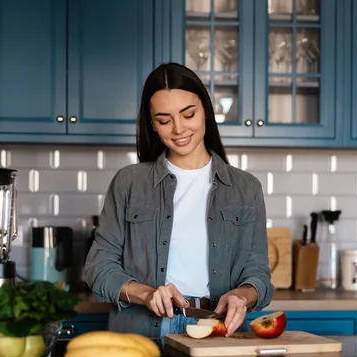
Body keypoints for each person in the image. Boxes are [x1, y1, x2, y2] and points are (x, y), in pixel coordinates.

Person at [83, 62, 274, 340]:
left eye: (188, 114)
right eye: (164, 120)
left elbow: (258, 273)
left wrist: (242, 296)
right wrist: (146, 294)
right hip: (141, 335)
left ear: (206, 111)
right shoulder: (129, 182)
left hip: (219, 333)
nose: (178, 129)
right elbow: (98, 267)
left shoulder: (245, 188)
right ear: (152, 124)